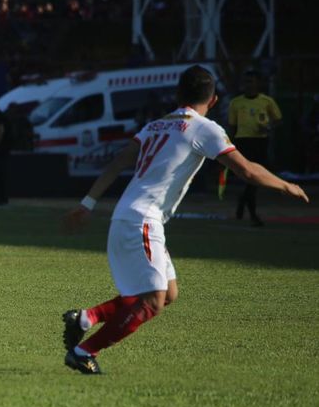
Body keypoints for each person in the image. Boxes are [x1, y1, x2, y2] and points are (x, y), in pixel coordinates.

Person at [60, 65, 309, 374]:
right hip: (142, 219)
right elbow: (246, 170)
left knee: (168, 293)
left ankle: (85, 318)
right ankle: (84, 352)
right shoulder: (205, 128)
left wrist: (87, 204)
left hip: (132, 215)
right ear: (214, 100)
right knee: (152, 299)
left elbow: (118, 162)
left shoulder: (154, 126)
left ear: (178, 95)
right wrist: (287, 185)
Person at [227, 70, 283, 226]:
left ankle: (243, 201)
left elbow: (278, 120)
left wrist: (268, 128)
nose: (248, 85)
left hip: (260, 141)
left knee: (255, 178)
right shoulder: (236, 103)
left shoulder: (266, 101)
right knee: (249, 177)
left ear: (258, 83)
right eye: (246, 82)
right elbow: (232, 126)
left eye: (251, 81)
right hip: (243, 142)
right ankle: (252, 213)